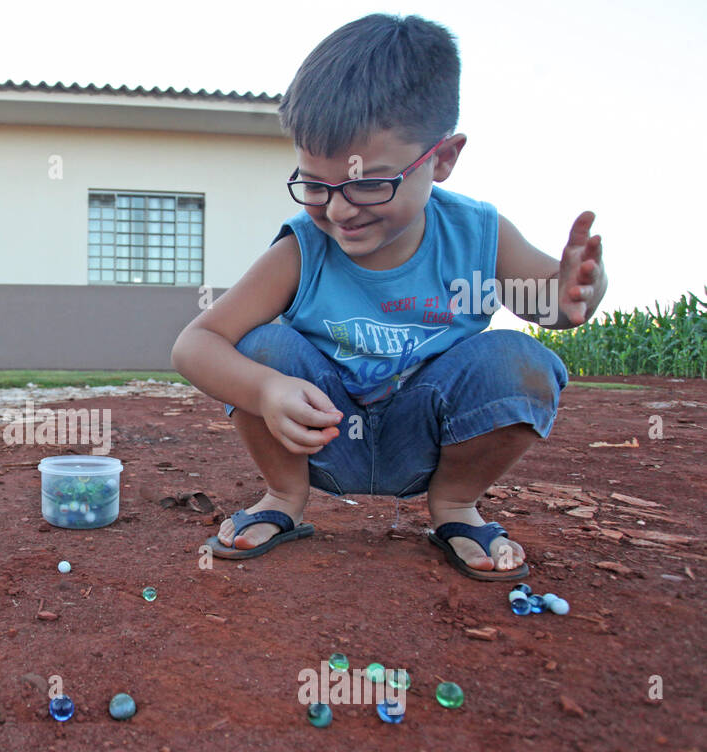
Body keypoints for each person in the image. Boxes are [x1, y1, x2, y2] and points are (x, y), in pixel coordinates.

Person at [171, 13, 606, 580]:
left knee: (521, 360)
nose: (340, 209)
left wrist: (581, 291)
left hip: (430, 442)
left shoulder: (479, 234)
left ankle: (454, 506)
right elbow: (195, 344)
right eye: (316, 186)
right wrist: (267, 388)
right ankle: (281, 497)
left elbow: (549, 308)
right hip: (317, 438)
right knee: (259, 346)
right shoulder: (302, 249)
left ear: (442, 159)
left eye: (370, 183)